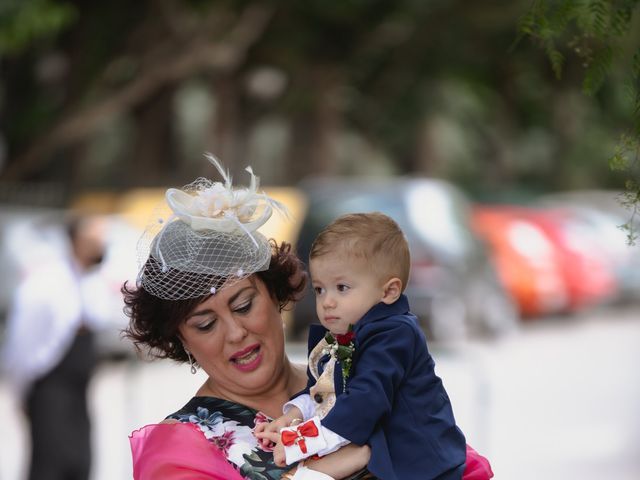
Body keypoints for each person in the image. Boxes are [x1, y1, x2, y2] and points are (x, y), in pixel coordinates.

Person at [123, 155, 372, 480]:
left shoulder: (356, 383)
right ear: (181, 338)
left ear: (274, 293)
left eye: (243, 306)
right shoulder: (182, 450)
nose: (235, 332)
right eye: (205, 324)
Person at [255, 212, 493, 480]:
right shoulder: (338, 338)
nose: (327, 302)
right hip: (380, 452)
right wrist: (296, 413)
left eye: (342, 287)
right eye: (320, 289)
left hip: (419, 462)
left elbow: (365, 399)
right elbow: (325, 392)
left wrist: (302, 440)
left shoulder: (395, 334)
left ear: (389, 291)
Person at [1, 214, 109, 480]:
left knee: (79, 462)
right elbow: (23, 343)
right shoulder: (46, 283)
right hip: (49, 389)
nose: (99, 246)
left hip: (79, 392)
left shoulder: (91, 281)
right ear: (76, 241)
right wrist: (21, 390)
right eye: (93, 240)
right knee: (50, 464)